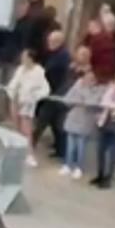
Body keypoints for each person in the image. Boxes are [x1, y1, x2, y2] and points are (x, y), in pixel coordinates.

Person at [6, 49, 50, 167]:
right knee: (16, 128)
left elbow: (45, 90)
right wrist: (12, 93)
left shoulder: (38, 72)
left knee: (26, 130)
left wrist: (32, 97)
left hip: (27, 104)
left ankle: (30, 154)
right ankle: (17, 151)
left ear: (30, 58)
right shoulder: (20, 69)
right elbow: (12, 83)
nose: (22, 59)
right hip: (16, 100)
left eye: (24, 57)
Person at [32, 29, 71, 160]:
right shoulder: (52, 54)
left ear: (59, 42)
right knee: (55, 123)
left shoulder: (62, 56)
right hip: (50, 92)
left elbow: (51, 72)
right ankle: (61, 149)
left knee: (43, 120)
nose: (48, 43)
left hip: (55, 92)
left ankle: (30, 144)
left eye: (52, 41)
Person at [61, 69, 102, 180]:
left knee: (81, 147)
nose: (88, 80)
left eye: (91, 79)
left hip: (85, 121)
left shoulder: (98, 90)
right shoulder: (77, 86)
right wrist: (78, 98)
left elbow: (92, 103)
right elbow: (67, 99)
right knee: (70, 146)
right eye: (86, 78)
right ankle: (67, 165)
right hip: (73, 118)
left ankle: (79, 167)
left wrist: (85, 93)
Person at [83, 16, 115, 83]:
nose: (88, 29)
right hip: (107, 71)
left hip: (97, 71)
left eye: (90, 26)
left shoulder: (96, 39)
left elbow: (92, 55)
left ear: (97, 26)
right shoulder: (108, 38)